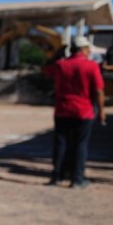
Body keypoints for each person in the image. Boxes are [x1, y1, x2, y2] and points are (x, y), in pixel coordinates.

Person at [42, 36, 106, 189]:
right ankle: (77, 179)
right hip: (83, 112)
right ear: (83, 49)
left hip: (62, 110)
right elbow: (98, 90)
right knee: (80, 145)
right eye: (88, 49)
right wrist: (102, 110)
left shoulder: (60, 65)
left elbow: (45, 69)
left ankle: (56, 177)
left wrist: (57, 54)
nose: (89, 51)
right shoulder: (91, 66)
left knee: (61, 144)